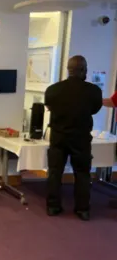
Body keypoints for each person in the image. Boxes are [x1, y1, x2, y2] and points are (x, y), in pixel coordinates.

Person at [44, 55, 102, 221]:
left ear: (68, 70)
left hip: (59, 136)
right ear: (84, 70)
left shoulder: (53, 89)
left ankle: (53, 207)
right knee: (82, 174)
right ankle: (82, 210)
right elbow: (94, 109)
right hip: (81, 138)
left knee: (55, 172)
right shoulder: (94, 91)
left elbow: (49, 106)